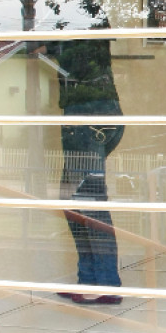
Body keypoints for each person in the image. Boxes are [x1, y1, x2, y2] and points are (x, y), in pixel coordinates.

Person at [38, 25, 125, 305]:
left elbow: (38, 46)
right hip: (101, 111)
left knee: (89, 200)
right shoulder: (84, 15)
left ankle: (106, 283)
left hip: (87, 114)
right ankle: (90, 279)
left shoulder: (73, 14)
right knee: (75, 200)